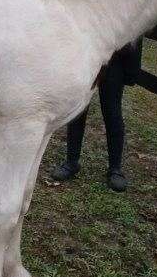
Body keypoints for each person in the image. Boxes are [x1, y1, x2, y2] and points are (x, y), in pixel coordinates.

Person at [50, 40, 142, 191]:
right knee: (78, 111)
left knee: (112, 112)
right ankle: (71, 161)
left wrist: (132, 68)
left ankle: (115, 169)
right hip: (88, 56)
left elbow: (134, 30)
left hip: (115, 59)